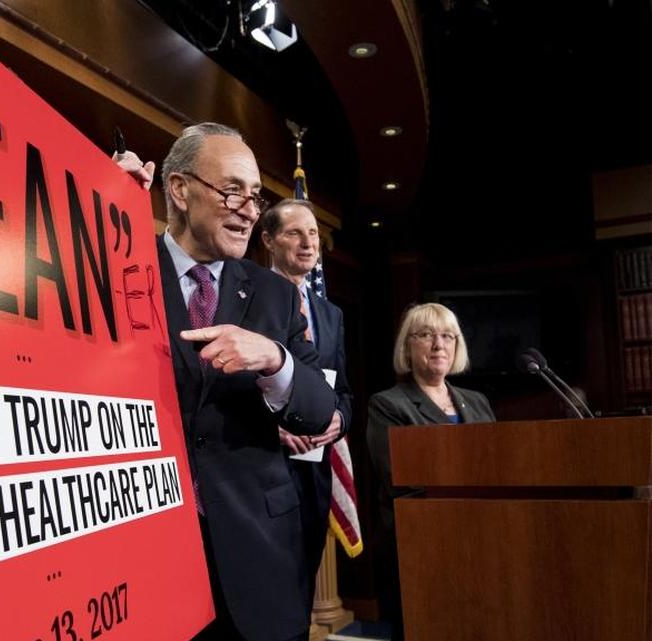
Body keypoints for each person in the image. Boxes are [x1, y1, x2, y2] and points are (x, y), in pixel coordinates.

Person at [118, 123, 337, 641]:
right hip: (150, 559)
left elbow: (320, 406)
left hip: (259, 557)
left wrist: (275, 361)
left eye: (255, 196)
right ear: (179, 189)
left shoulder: (276, 295)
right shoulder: (119, 265)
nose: (247, 209)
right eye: (232, 189)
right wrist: (98, 203)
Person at [365, 302, 496, 640]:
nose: (439, 345)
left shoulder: (478, 401)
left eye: (448, 336)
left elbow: (498, 467)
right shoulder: (389, 404)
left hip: (485, 539)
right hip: (421, 547)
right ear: (408, 346)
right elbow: (400, 480)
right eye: (426, 335)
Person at [259, 199, 353, 616]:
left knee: (302, 596)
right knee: (268, 599)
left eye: (313, 233)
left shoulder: (330, 314)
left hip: (316, 473)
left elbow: (345, 391)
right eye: (294, 233)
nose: (307, 242)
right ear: (268, 240)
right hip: (265, 469)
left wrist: (338, 420)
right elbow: (230, 388)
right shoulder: (250, 299)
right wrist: (272, 429)